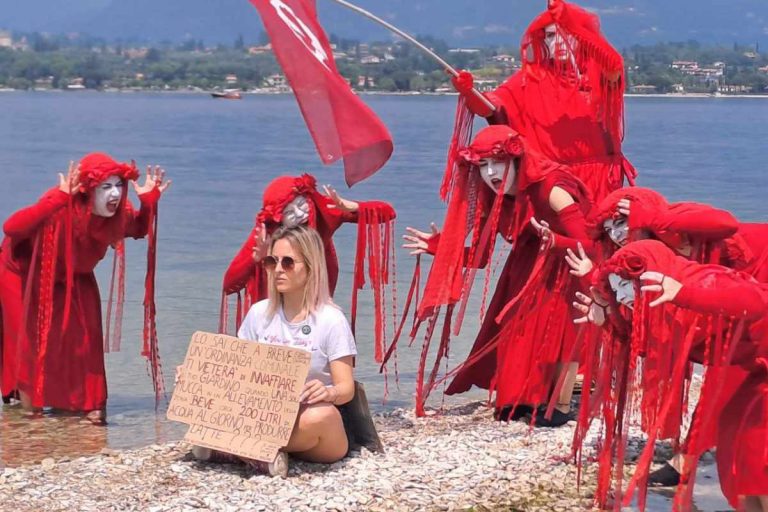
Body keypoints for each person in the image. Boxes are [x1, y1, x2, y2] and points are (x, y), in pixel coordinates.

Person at [402, 124, 594, 425]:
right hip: (524, 266)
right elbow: (481, 258)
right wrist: (438, 248)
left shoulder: (552, 189)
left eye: (498, 162)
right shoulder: (491, 197)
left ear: (517, 161)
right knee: (514, 331)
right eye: (483, 165)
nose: (490, 172)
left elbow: (591, 245)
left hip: (568, 263)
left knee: (559, 331)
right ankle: (522, 399)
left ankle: (559, 405)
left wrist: (556, 242)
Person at [578, 239, 768, 510]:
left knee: (757, 447)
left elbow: (760, 301)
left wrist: (685, 294)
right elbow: (646, 345)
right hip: (758, 368)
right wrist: (607, 317)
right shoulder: (658, 306)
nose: (623, 297)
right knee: (735, 439)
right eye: (617, 290)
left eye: (627, 286)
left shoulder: (701, 281)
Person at [0, 153, 170, 423]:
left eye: (119, 185)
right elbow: (12, 228)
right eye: (106, 187)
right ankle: (30, 413)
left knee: (85, 339)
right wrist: (57, 198)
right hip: (24, 273)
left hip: (74, 272)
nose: (115, 194)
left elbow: (138, 229)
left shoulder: (119, 213)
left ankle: (84, 403)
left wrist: (149, 203)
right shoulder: (60, 203)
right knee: (30, 340)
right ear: (87, 190)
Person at [194, 225, 355, 473]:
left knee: (323, 416)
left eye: (288, 262)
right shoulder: (259, 313)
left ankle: (239, 450)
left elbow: (347, 389)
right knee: (205, 404)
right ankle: (259, 452)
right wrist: (198, 376)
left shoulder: (331, 320)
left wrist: (328, 392)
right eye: (272, 262)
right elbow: (237, 373)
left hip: (310, 422)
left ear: (310, 267)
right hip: (263, 415)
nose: (278, 269)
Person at [450, 0, 635, 203]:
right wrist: (469, 92)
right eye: (551, 36)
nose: (558, 42)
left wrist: (572, 22)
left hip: (602, 182)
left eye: (566, 33)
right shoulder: (529, 79)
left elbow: (614, 66)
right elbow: (491, 107)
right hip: (554, 185)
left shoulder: (599, 75)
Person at [220, 174, 395, 362]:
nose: (298, 213)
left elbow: (388, 213)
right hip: (277, 296)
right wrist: (259, 260)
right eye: (289, 212)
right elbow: (230, 283)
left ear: (308, 198)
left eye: (300, 205)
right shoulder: (266, 231)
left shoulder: (324, 209)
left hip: (318, 289)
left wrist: (353, 206)